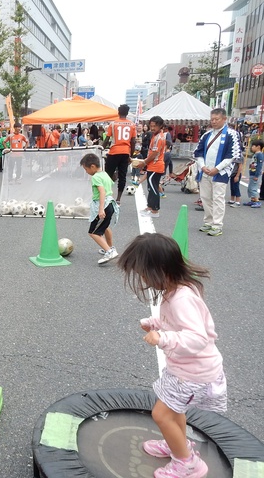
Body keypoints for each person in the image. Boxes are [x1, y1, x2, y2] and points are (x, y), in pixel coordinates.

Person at [118, 233, 226, 478]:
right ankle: (177, 444)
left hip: (193, 374)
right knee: (174, 410)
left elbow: (197, 338)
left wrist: (163, 338)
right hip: (184, 370)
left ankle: (187, 464)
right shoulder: (176, 288)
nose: (143, 278)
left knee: (161, 414)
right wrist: (155, 323)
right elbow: (175, 322)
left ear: (160, 268)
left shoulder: (181, 299)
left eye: (144, 273)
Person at [194, 108, 241, 237]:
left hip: (221, 172)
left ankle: (217, 224)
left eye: (217, 119)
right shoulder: (206, 135)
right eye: (212, 119)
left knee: (218, 198)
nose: (213, 122)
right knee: (205, 197)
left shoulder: (232, 134)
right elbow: (198, 152)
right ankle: (208, 221)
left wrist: (217, 169)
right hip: (205, 171)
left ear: (224, 119)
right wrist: (203, 166)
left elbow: (232, 155)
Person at [80, 153, 119, 265]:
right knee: (105, 227)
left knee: (93, 232)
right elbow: (109, 188)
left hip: (103, 205)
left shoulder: (96, 177)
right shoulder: (104, 174)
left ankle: (109, 251)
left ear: (92, 166)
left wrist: (101, 209)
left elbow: (102, 191)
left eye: (86, 169)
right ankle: (110, 247)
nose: (86, 172)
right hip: (110, 204)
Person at [103, 104, 137, 204]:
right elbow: (133, 141)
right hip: (125, 152)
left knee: (107, 174)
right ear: (127, 113)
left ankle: (107, 195)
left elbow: (107, 139)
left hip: (114, 151)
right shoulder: (132, 125)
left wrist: (102, 148)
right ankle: (118, 199)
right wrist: (131, 155)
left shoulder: (113, 124)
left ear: (118, 112)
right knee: (123, 175)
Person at [136, 116, 166, 218]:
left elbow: (154, 154)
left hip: (156, 166)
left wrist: (144, 162)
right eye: (151, 126)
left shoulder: (159, 137)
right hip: (153, 166)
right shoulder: (155, 135)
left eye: (155, 126)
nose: (152, 128)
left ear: (160, 126)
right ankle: (150, 207)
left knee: (153, 188)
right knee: (151, 187)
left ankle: (154, 210)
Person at [244, 139, 264, 208]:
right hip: (252, 173)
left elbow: (259, 166)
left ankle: (257, 201)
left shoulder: (260, 155)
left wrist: (257, 175)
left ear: (258, 147)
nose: (251, 147)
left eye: (253, 146)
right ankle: (252, 200)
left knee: (253, 188)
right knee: (250, 188)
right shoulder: (256, 154)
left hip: (255, 174)